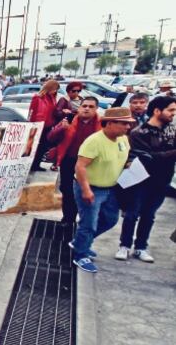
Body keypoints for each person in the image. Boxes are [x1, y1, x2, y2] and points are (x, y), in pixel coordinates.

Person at [70, 107, 136, 273]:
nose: (128, 127)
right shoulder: (94, 141)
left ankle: (80, 242)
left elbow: (122, 159)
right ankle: (80, 255)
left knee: (110, 220)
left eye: (129, 124)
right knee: (89, 223)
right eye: (124, 124)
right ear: (109, 123)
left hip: (111, 188)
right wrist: (86, 190)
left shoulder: (123, 140)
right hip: (91, 187)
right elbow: (80, 166)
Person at [115, 96, 176, 262]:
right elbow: (150, 157)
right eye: (170, 110)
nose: (173, 114)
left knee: (149, 215)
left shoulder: (173, 130)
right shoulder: (139, 133)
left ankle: (141, 247)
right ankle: (124, 245)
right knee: (132, 214)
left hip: (163, 180)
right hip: (140, 178)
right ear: (157, 111)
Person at [47, 96, 100, 224]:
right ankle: (68, 218)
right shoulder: (69, 119)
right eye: (84, 106)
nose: (87, 109)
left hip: (89, 163)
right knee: (67, 190)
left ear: (96, 109)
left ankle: (82, 219)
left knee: (84, 191)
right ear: (79, 107)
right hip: (69, 160)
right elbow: (51, 138)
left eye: (91, 106)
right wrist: (61, 128)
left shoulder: (101, 124)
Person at [27, 79, 61, 171]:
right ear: (50, 88)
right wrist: (31, 124)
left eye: (56, 90)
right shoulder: (37, 97)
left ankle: (36, 164)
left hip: (48, 126)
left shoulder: (53, 98)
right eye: (54, 89)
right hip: (38, 125)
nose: (55, 91)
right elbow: (31, 112)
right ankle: (32, 165)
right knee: (35, 146)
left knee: (43, 147)